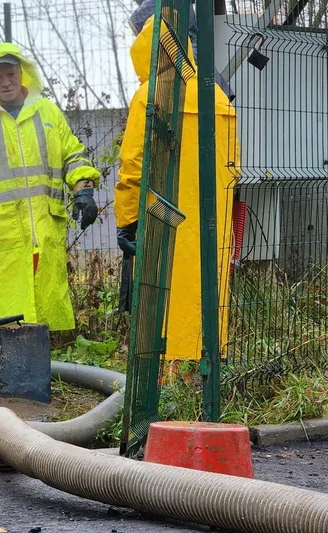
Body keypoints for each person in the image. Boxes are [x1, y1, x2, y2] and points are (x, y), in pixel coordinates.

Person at [0, 43, 101, 332]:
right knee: (0, 316)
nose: (6, 82)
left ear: (22, 73)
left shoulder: (48, 113)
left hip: (43, 229)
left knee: (44, 306)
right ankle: (2, 364)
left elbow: (72, 156)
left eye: (11, 74)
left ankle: (47, 364)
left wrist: (83, 189)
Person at [115, 4, 240, 361]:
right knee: (207, 295)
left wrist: (128, 220)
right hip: (212, 221)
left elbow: (134, 166)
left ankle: (166, 374)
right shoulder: (216, 94)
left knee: (165, 294)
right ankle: (209, 363)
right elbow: (234, 167)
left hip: (164, 216)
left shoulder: (150, 94)